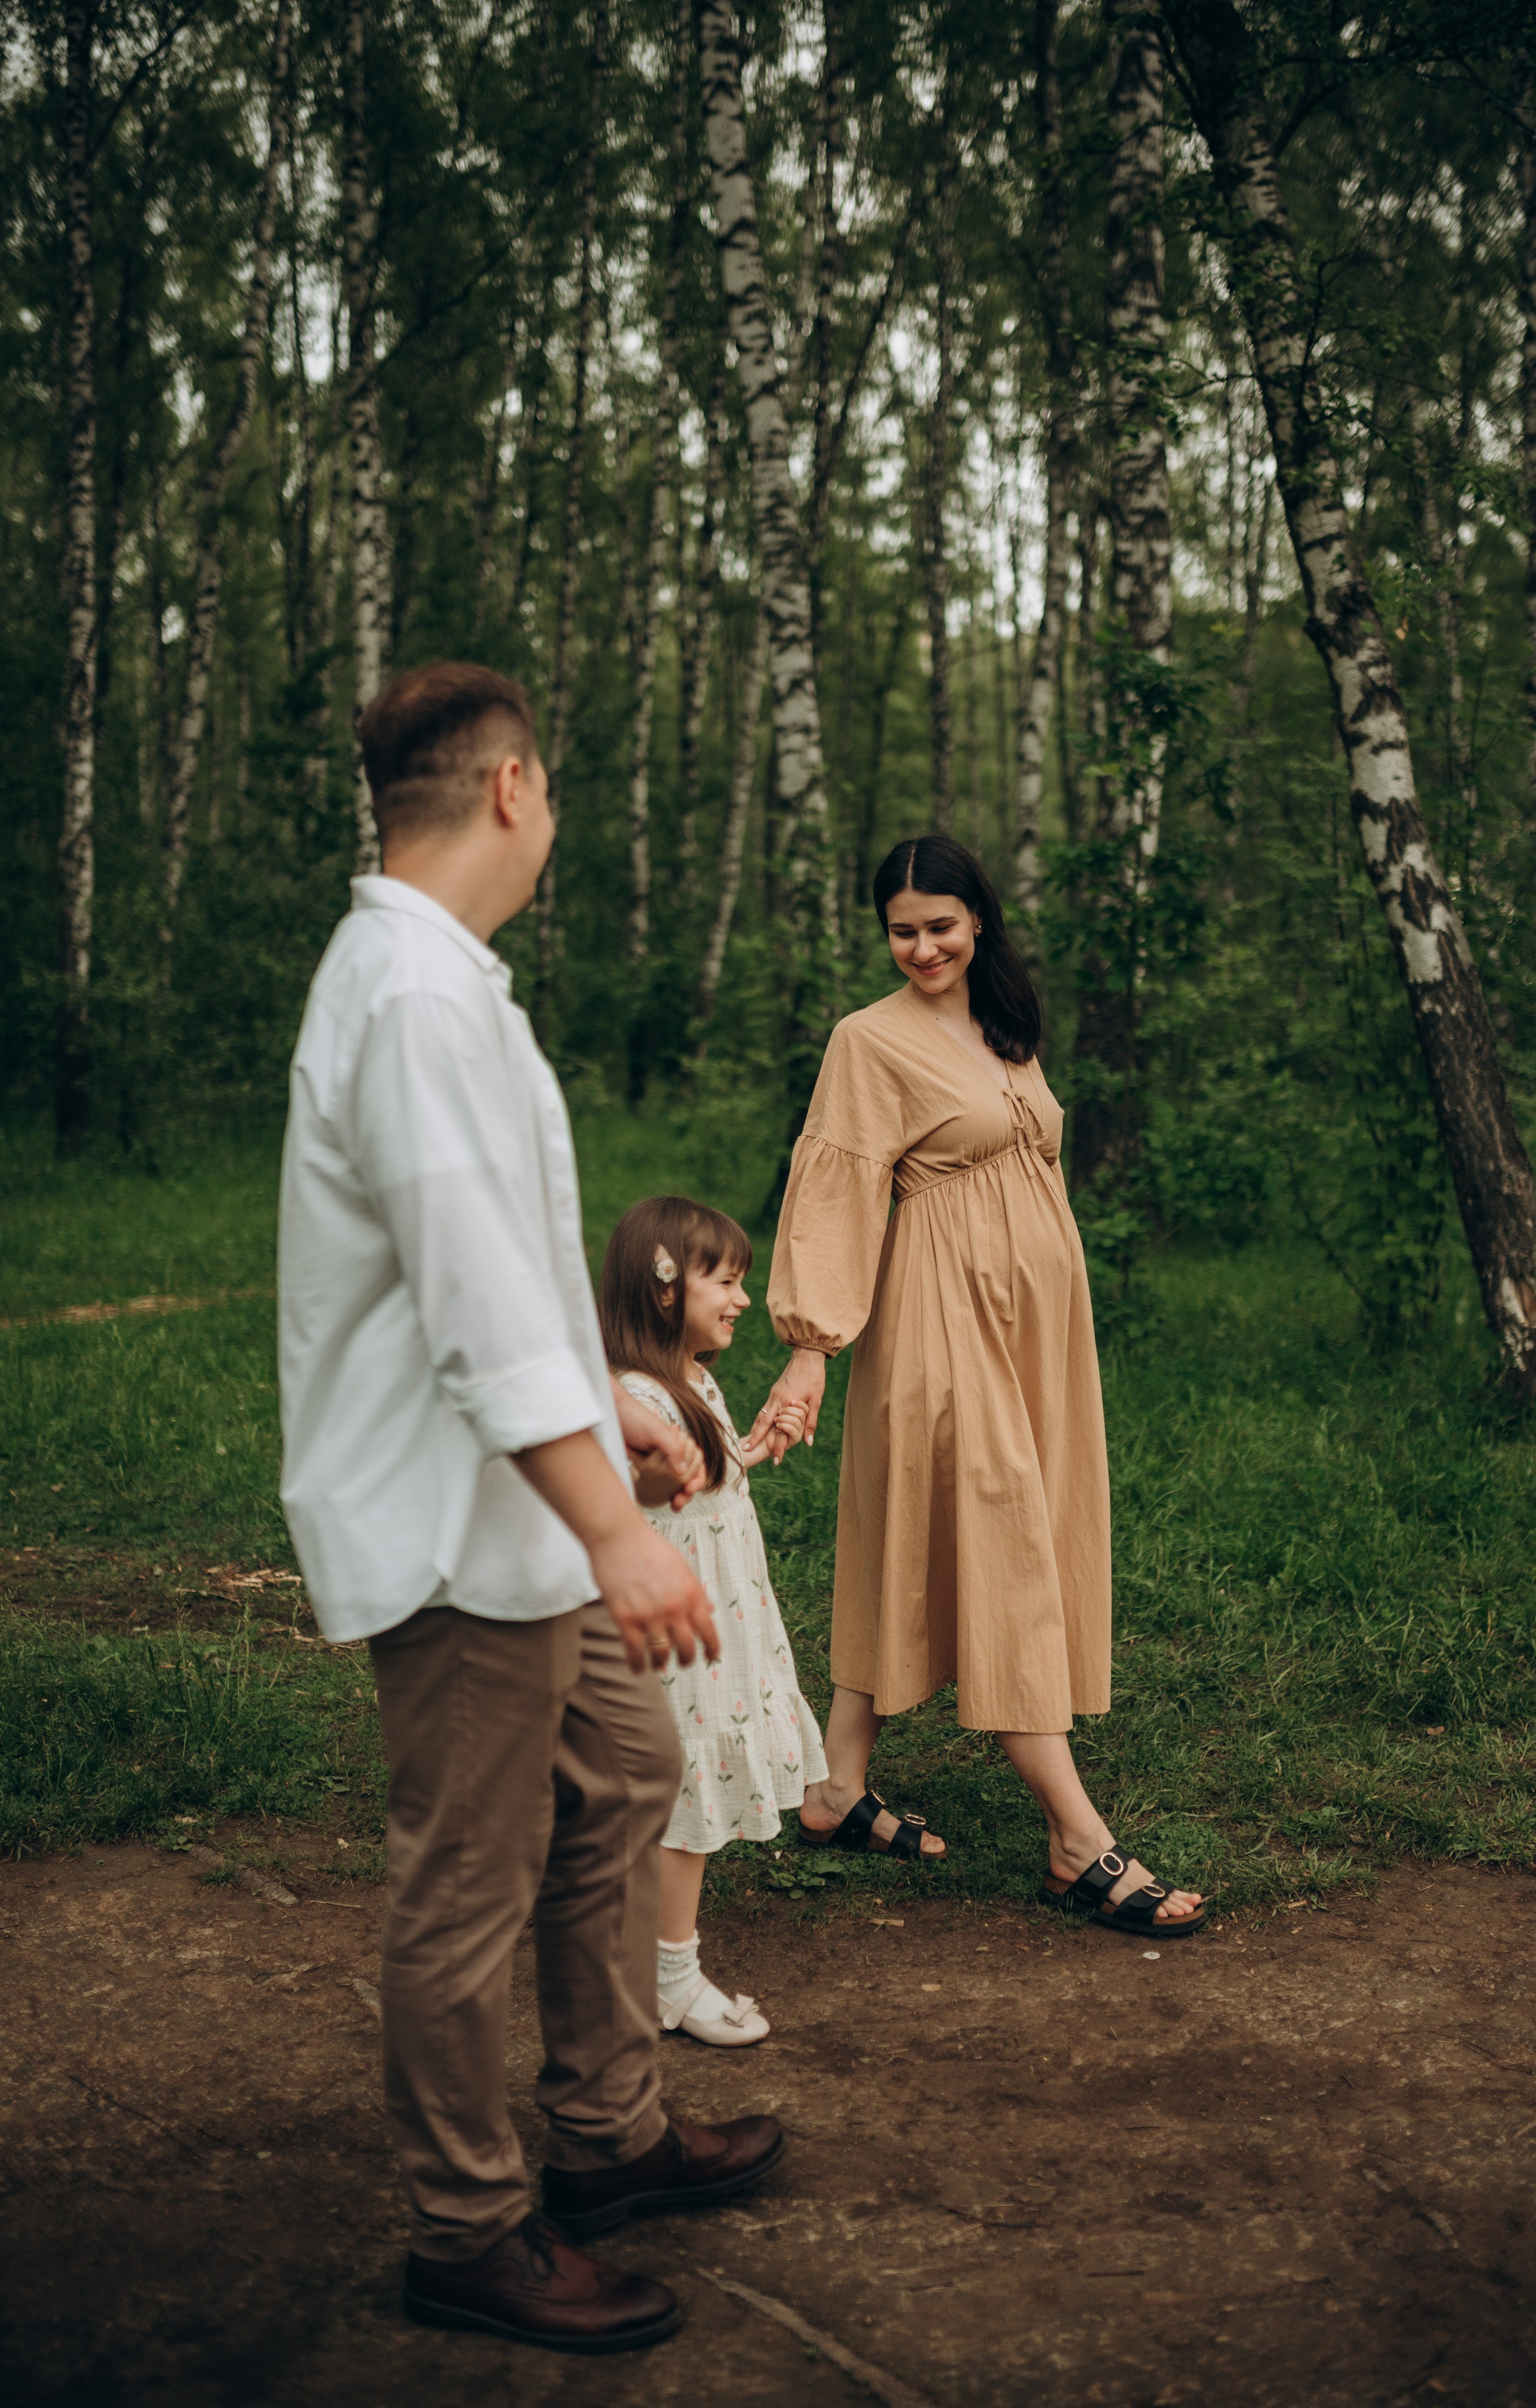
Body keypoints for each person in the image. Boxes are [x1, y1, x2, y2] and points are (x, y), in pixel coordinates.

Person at [277, 661, 784, 2357]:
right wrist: (620, 1525)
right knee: (466, 1880)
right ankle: (467, 2228)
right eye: (554, 792)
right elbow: (471, 1300)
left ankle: (610, 2133)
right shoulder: (411, 998)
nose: (552, 820)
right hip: (453, 1522)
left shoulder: (447, 987)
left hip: (529, 1508)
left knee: (627, 1773)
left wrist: (619, 1405)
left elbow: (511, 1278)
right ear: (509, 790)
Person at [750, 832, 1204, 1938]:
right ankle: (1076, 1842)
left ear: (979, 922)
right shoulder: (868, 1041)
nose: (921, 948)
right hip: (942, 1326)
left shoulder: (1005, 1028)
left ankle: (835, 1788)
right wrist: (813, 1346)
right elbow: (838, 1184)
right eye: (901, 930)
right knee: (1000, 1550)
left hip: (1032, 1333)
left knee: (926, 1537)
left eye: (940, 925)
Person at [599, 1195, 827, 2049]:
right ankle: (670, 1979)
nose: (741, 1299)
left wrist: (753, 1448)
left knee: (676, 1802)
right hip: (675, 1631)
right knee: (683, 1801)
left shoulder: (690, 1379)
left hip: (721, 1616)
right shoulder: (632, 1396)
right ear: (664, 1289)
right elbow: (648, 1493)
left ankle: (649, 1961)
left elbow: (710, 1485)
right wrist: (671, 1474)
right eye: (724, 1282)